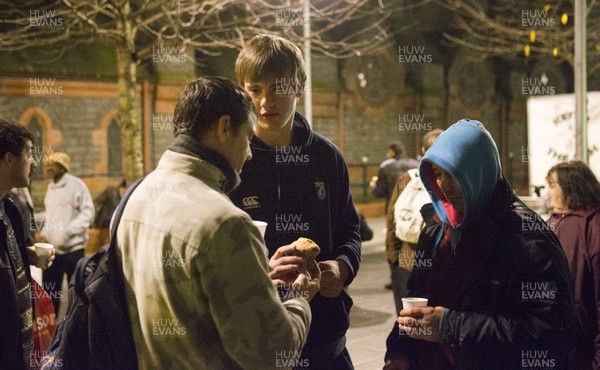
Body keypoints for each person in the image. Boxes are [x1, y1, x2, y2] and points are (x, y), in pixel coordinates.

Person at [115, 76, 319, 369]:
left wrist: (256, 278)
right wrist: (300, 297)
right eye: (247, 138)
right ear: (224, 127)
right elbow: (273, 355)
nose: (249, 154)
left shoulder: (135, 198)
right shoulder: (225, 223)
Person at [384, 119, 576, 369]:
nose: (443, 185)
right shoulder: (436, 228)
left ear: (479, 171)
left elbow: (549, 331)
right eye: (438, 175)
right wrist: (400, 351)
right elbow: (415, 300)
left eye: (453, 174)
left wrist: (452, 326)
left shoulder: (526, 239)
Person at [230, 33, 361, 369]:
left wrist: (342, 267)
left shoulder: (327, 157)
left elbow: (350, 231)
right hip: (256, 341)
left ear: (300, 87)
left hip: (325, 341)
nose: (265, 102)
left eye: (278, 88)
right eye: (255, 89)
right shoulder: (231, 161)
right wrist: (262, 274)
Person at [0, 119, 49, 369]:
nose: (34, 163)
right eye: (29, 153)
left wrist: (24, 256)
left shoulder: (9, 209)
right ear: (9, 158)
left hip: (19, 351)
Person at [546, 160, 600, 369]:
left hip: (583, 350)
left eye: (552, 185)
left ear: (570, 187)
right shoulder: (552, 222)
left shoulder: (592, 228)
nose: (548, 193)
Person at [385, 129, 443, 314]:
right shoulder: (451, 179)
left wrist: (394, 257)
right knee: (430, 316)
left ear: (422, 149)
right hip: (434, 257)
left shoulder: (410, 177)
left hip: (407, 256)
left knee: (407, 316)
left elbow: (392, 217)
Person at [39, 151, 94, 313]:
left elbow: (88, 212)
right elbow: (51, 215)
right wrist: (44, 229)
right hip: (52, 250)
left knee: (76, 290)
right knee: (50, 291)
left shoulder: (77, 185)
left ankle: (75, 325)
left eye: (53, 165)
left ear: (63, 167)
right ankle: (52, 326)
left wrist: (68, 231)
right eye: (47, 165)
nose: (49, 168)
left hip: (73, 249)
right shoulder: (51, 189)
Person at [371, 142, 419, 211]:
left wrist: (373, 186)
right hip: (415, 206)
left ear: (392, 152)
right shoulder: (417, 164)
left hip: (394, 207)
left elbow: (380, 192)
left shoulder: (386, 167)